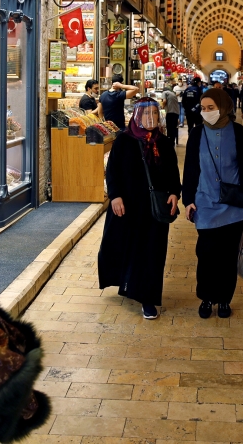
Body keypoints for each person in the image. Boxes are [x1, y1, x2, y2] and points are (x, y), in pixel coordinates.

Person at [98, 99, 181, 320]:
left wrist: (174, 193)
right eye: (146, 114)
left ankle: (147, 298)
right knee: (128, 248)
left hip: (155, 209)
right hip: (128, 207)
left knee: (152, 252)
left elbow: (173, 172)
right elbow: (112, 171)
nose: (151, 118)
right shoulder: (124, 140)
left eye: (154, 113)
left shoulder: (163, 142)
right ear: (136, 116)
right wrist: (114, 196)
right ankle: (129, 283)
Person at [183, 88, 243, 320]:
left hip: (234, 206)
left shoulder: (237, 131)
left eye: (211, 108)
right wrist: (188, 200)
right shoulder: (196, 133)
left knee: (227, 257)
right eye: (203, 108)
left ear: (224, 107)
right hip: (205, 204)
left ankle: (225, 298)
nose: (206, 113)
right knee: (206, 254)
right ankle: (206, 297)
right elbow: (190, 168)